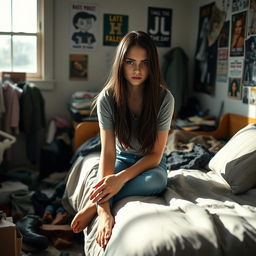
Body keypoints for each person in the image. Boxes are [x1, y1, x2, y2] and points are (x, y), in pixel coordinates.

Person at [70, 31, 174, 248]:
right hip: (121, 157)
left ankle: (94, 205)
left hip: (149, 163)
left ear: (152, 65)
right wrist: (107, 205)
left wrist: (119, 180)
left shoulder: (164, 98)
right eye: (130, 62)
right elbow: (108, 152)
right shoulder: (107, 99)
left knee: (157, 181)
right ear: (121, 63)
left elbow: (155, 155)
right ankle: (102, 207)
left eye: (144, 63)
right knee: (99, 180)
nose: (137, 70)